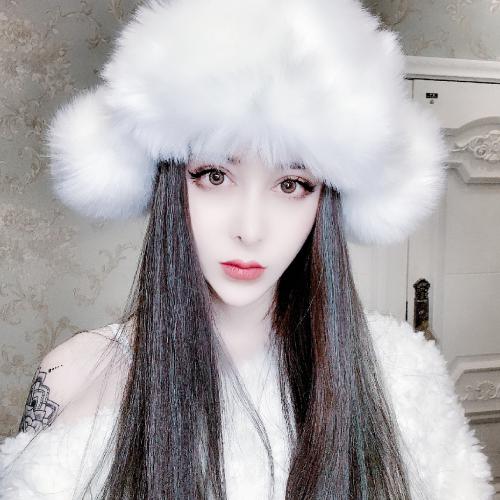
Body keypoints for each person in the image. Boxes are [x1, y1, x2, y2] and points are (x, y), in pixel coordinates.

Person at [0, 0, 495, 498]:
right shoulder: (72, 377)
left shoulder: (402, 379)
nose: (251, 229)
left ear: (325, 200)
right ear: (169, 182)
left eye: (292, 185)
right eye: (215, 176)